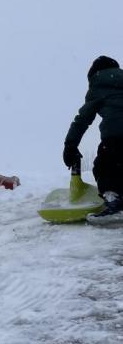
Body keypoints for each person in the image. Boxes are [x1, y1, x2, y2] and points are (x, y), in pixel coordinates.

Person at [63, 55, 123, 225]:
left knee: (104, 167)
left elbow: (82, 120)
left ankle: (114, 203)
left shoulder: (99, 85)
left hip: (116, 137)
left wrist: (70, 145)